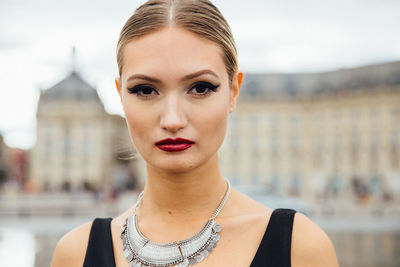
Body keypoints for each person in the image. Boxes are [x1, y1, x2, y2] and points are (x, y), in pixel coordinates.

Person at [51, 0, 339, 266]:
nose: (173, 120)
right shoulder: (73, 254)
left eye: (201, 88)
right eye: (145, 90)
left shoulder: (301, 248)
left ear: (233, 92)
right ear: (121, 97)